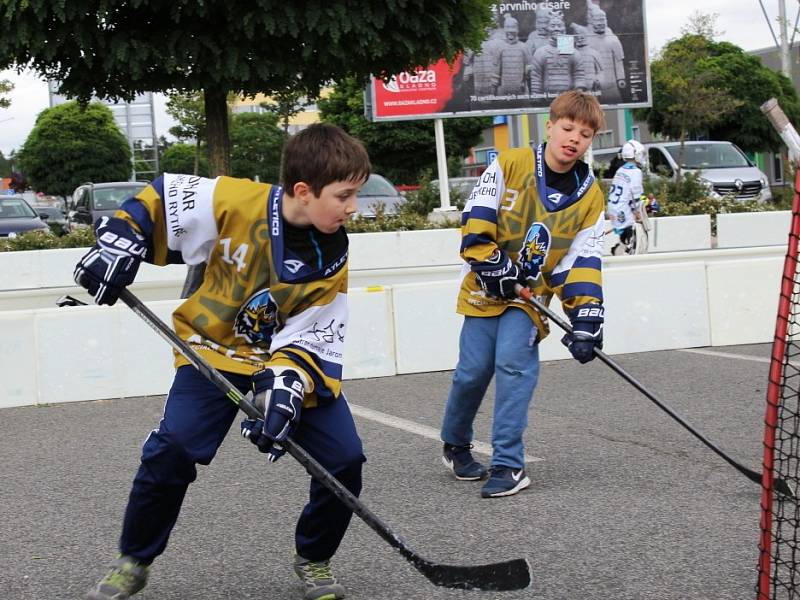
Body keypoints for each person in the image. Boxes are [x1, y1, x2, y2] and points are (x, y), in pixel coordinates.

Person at [76, 123, 371, 600]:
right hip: (211, 349)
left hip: (282, 363)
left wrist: (287, 386)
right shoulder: (236, 200)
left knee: (344, 459)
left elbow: (315, 330)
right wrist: (122, 239)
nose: (353, 207)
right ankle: (133, 559)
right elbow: (161, 197)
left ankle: (314, 559)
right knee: (172, 448)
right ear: (303, 190)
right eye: (344, 195)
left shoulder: (333, 252)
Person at [439, 90, 607, 498]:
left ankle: (508, 464)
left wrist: (587, 318)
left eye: (584, 134)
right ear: (550, 126)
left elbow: (581, 260)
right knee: (472, 372)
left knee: (515, 367)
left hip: (528, 298)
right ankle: (456, 443)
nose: (573, 139)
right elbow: (476, 218)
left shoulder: (590, 195)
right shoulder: (510, 164)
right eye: (567, 128)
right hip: (484, 287)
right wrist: (491, 262)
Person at [607, 139, 646, 255]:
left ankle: (620, 248)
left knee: (625, 234)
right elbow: (635, 196)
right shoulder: (636, 172)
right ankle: (621, 252)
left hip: (613, 208)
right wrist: (638, 211)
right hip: (623, 210)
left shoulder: (621, 170)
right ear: (635, 154)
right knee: (631, 240)